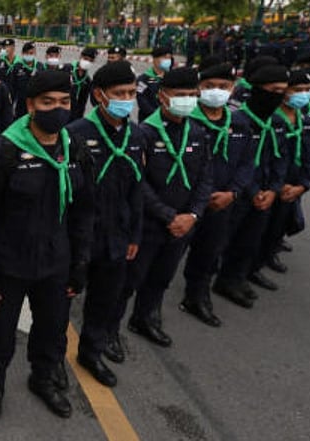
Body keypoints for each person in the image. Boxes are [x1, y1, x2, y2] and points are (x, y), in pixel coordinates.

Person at [0, 70, 95, 422]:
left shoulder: (76, 152)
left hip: (56, 264)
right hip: (11, 265)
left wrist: (80, 261)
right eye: (47, 102)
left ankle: (42, 379)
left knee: (53, 330)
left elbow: (84, 211)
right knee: (1, 334)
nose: (57, 110)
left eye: (63, 102)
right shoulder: (3, 152)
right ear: (30, 105)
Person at [120, 67, 212, 348]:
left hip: (183, 225)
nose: (186, 100)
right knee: (129, 282)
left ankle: (146, 318)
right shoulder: (143, 133)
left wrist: (193, 215)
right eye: (179, 95)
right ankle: (109, 331)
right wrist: (169, 215)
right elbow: (138, 182)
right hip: (150, 223)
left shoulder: (197, 132)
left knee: (161, 277)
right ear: (162, 96)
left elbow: (205, 178)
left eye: (190, 95)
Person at [65, 61, 144, 384]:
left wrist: (134, 234)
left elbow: (137, 189)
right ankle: (52, 360)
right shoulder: (75, 135)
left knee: (104, 301)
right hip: (81, 238)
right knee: (62, 303)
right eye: (119, 93)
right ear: (99, 95)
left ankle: (91, 353)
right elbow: (66, 193)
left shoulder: (136, 136)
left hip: (117, 236)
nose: (127, 99)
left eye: (130, 92)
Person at [180, 59, 254, 328]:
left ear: (232, 89)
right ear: (199, 88)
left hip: (221, 203)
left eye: (223, 86)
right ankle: (146, 310)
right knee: (164, 262)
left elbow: (247, 163)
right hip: (186, 204)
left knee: (208, 254)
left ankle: (197, 298)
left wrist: (232, 193)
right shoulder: (186, 121)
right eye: (209, 86)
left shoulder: (240, 124)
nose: (216, 91)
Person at [213, 64, 289, 308]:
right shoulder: (237, 120)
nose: (279, 95)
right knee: (226, 239)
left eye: (283, 91)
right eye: (274, 90)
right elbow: (237, 163)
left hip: (266, 194)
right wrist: (253, 191)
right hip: (242, 193)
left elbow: (281, 159)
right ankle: (218, 280)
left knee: (251, 240)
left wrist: (274, 189)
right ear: (258, 90)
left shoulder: (277, 122)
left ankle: (236, 278)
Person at [252, 71, 310, 287]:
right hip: (271, 185)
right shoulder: (272, 119)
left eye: (306, 90)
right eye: (297, 90)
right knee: (256, 230)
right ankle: (244, 268)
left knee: (278, 228)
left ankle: (262, 260)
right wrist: (276, 186)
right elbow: (265, 158)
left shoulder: (307, 118)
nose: (303, 95)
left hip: (294, 184)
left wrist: (303, 185)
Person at [9, 42, 46, 119]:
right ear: (23, 53)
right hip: (21, 104)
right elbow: (12, 88)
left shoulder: (40, 67)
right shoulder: (17, 67)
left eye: (31, 53)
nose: (29, 55)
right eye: (27, 53)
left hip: (36, 103)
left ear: (35, 53)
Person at [136, 46, 173, 122]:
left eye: (169, 58)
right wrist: (158, 115)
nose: (167, 60)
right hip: (149, 120)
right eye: (164, 57)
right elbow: (142, 100)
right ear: (154, 59)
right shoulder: (144, 79)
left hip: (169, 119)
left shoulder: (172, 77)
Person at [69, 48, 96, 121]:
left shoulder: (87, 80)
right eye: (86, 59)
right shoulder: (67, 69)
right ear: (80, 57)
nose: (87, 62)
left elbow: (82, 103)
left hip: (74, 115)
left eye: (90, 61)